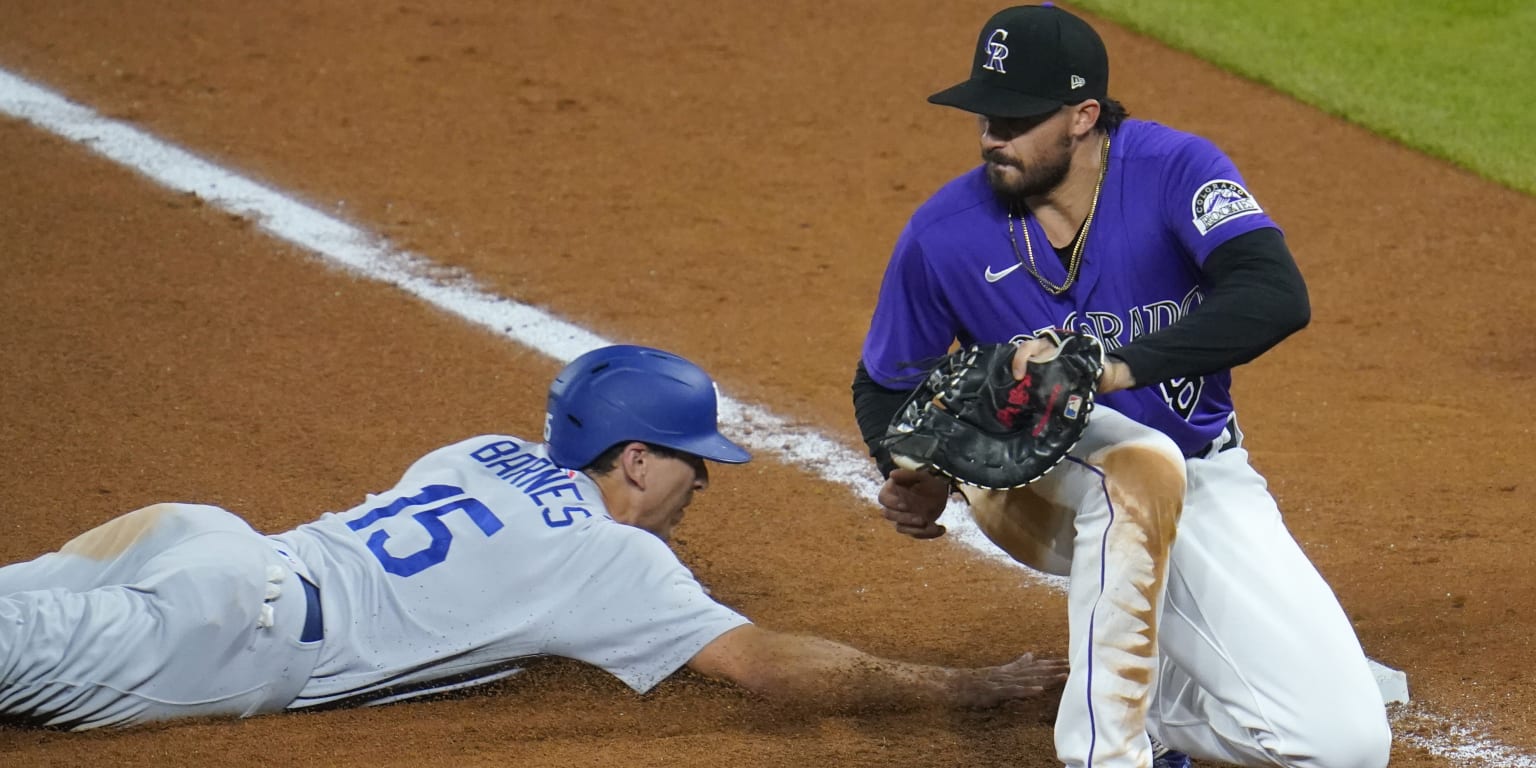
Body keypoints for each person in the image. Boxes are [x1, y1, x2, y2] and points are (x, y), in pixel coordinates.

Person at [0, 344, 1067, 731]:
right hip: (227, 627)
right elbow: (767, 670)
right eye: (694, 461)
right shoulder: (612, 558)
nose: (704, 483)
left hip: (193, 540)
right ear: (637, 460)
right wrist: (960, 688)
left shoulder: (480, 450)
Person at [851, 6, 1391, 768]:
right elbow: (883, 384)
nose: (990, 136)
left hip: (1203, 468)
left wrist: (1119, 367)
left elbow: (1275, 294)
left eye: (1015, 118)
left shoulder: (1174, 170)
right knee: (1135, 464)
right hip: (1031, 480)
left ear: (1083, 116)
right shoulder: (942, 234)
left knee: (1344, 747)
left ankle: (1161, 708)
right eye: (984, 115)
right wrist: (905, 469)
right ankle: (1103, 753)